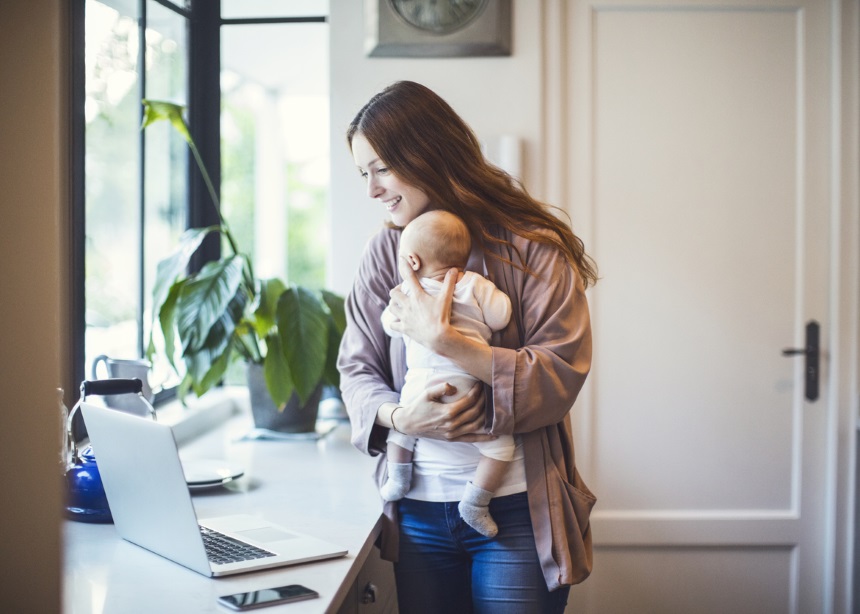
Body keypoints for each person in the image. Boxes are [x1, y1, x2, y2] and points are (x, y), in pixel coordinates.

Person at [338, 80, 598, 614]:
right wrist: (401, 417)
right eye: (363, 173)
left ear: (427, 154)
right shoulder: (386, 250)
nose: (372, 190)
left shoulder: (531, 248)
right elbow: (356, 366)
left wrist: (445, 341)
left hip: (518, 515)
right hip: (415, 510)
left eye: (382, 167)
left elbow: (561, 370)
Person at [379, 209, 514, 539]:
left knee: (402, 425)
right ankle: (476, 502)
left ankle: (397, 476)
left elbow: (390, 325)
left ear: (411, 260)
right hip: (466, 384)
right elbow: (501, 317)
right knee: (502, 447)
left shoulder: (408, 292)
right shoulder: (475, 284)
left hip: (418, 386)